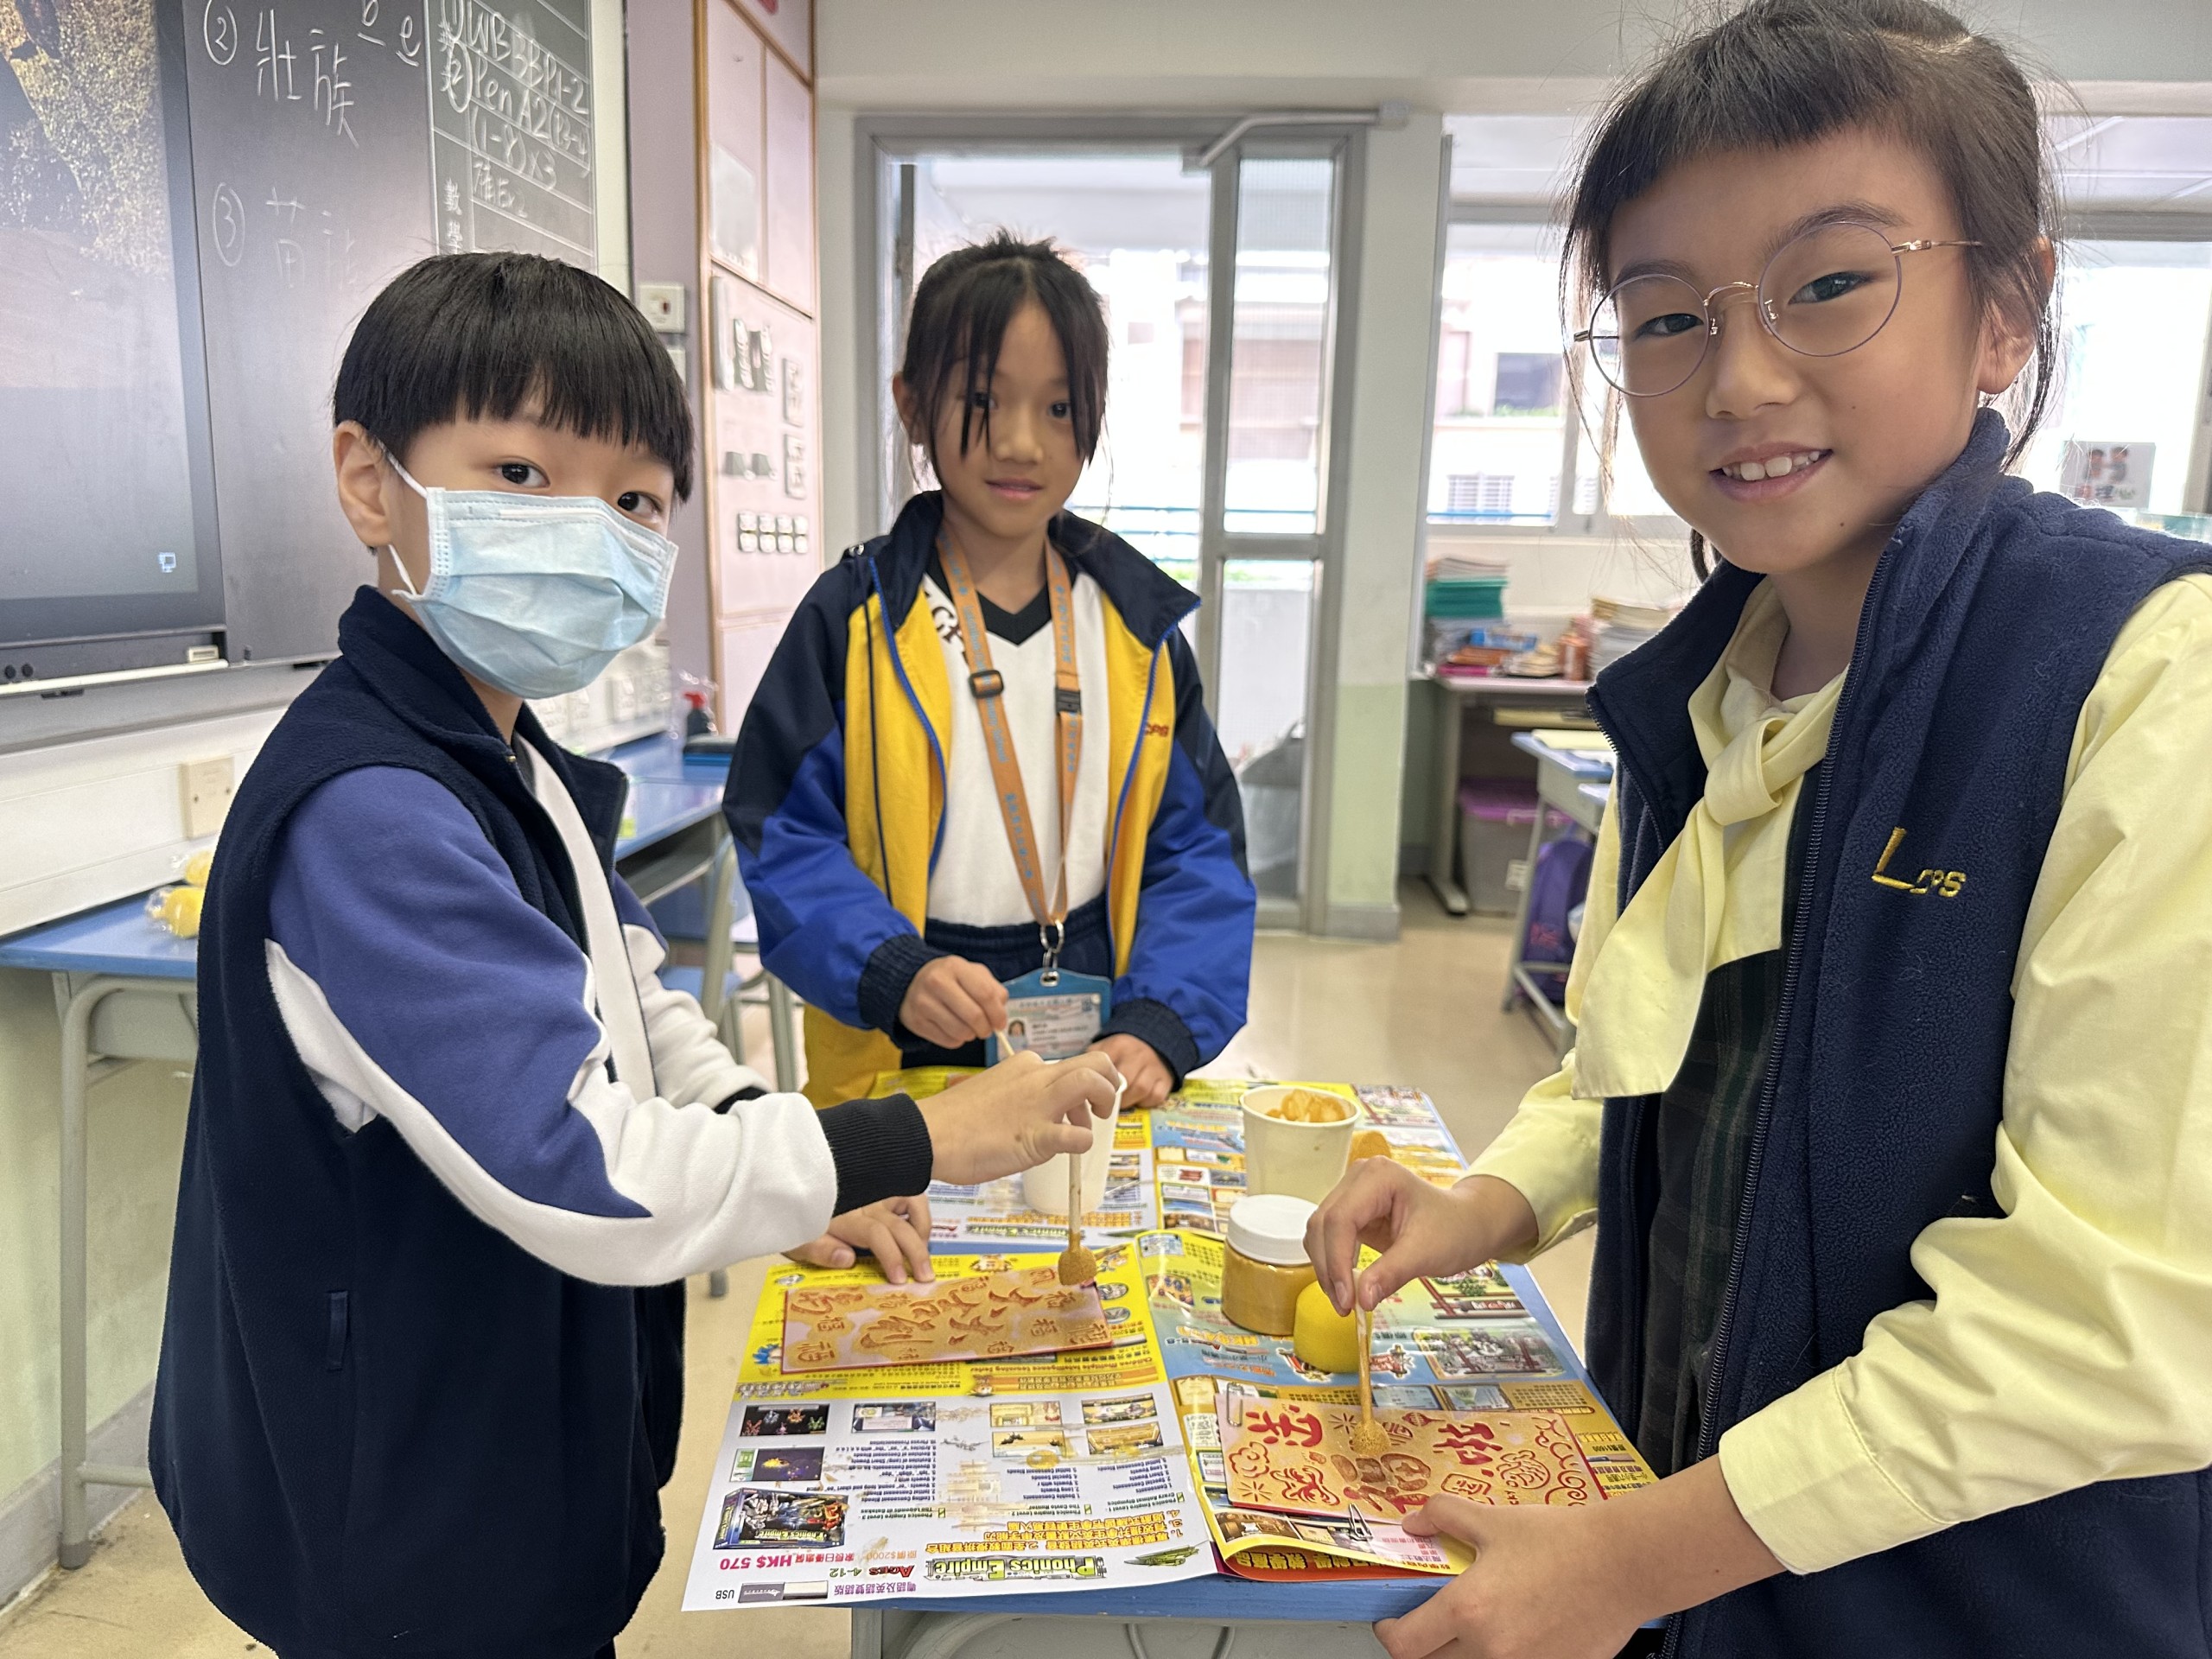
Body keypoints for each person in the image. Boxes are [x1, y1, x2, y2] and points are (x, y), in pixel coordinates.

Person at [1306, 3, 2212, 1655]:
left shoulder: (2144, 673)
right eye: (1667, 316)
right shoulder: (1711, 693)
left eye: (1832, 281)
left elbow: (2108, 1317)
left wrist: (1630, 1562)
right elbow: (1639, 1064)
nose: (1740, 376)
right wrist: (1485, 1206)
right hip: (1708, 1550)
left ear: (2007, 310)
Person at [150, 251, 1117, 1659]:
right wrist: (914, 1137)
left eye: (633, 502)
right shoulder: (372, 814)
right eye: (521, 476)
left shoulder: (509, 756)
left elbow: (639, 1009)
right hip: (404, 1512)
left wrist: (794, 1162)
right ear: (370, 480)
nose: (583, 532)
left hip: (514, 1442)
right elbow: (580, 1163)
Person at [728, 232, 1255, 1278]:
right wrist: (888, 968)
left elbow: (1198, 855)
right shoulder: (851, 620)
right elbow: (784, 837)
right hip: (904, 1017)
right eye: (982, 399)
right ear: (912, 403)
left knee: (1084, 1276)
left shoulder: (1137, 629)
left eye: (1057, 408)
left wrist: (1161, 1020)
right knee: (914, 1293)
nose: (1020, 441)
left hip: (1096, 1011)